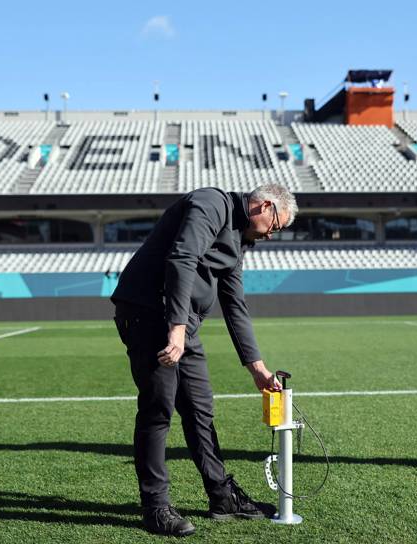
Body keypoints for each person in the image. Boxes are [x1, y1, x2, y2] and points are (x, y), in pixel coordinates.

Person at [111, 184, 298, 537]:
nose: (272, 236)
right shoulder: (211, 203)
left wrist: (256, 368)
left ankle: (221, 496)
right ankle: (155, 507)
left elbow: (234, 304)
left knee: (200, 409)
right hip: (150, 314)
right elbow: (181, 257)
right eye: (276, 226)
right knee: (158, 409)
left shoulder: (238, 242)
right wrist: (176, 329)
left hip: (184, 324)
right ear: (266, 206)